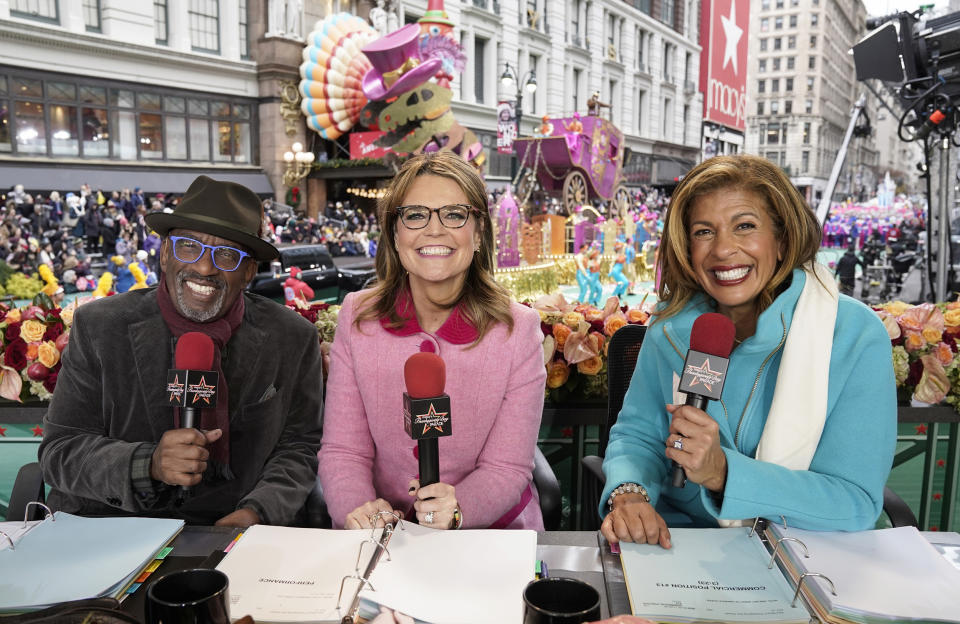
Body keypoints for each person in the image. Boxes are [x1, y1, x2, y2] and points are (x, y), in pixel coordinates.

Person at [600, 155, 896, 547]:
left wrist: (725, 474)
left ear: (782, 238)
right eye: (704, 232)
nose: (723, 250)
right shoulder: (670, 325)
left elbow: (854, 502)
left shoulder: (855, 336)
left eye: (745, 226)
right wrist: (630, 492)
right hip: (676, 544)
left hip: (800, 556)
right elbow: (637, 435)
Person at [39, 175, 324, 527]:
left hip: (238, 534)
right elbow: (59, 451)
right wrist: (150, 463)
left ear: (249, 271)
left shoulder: (292, 337)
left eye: (227, 255)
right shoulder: (99, 327)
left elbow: (299, 446)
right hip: (114, 528)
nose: (205, 268)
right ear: (164, 253)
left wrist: (258, 511)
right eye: (188, 246)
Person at [318, 151, 547, 531]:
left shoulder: (518, 330)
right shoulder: (357, 317)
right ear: (394, 234)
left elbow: (507, 468)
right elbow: (344, 452)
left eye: (454, 214)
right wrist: (359, 512)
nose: (434, 229)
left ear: (478, 234)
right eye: (415, 215)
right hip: (384, 537)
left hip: (488, 535)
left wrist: (459, 510)